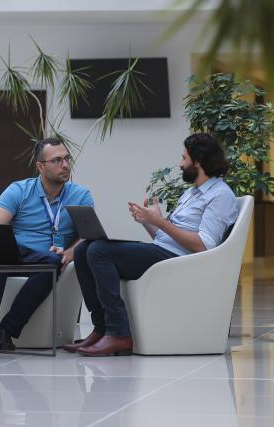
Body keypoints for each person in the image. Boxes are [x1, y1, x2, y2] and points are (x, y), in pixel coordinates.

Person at [64, 133, 239, 356]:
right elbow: (165, 237)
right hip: (164, 251)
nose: (180, 164)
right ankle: (101, 329)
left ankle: (119, 334)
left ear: (198, 161)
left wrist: (160, 221)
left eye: (184, 158)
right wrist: (149, 222)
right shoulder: (191, 193)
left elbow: (203, 245)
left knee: (99, 251)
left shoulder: (221, 195)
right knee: (83, 249)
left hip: (182, 261)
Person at [0, 137, 93, 354]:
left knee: (54, 261)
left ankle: (6, 331)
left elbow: (89, 235)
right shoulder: (19, 190)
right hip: (15, 253)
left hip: (48, 258)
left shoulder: (80, 195)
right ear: (40, 166)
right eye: (57, 160)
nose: (65, 165)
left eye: (67, 159)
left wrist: (68, 253)